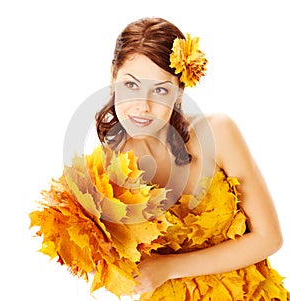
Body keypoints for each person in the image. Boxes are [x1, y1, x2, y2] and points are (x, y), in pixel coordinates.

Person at [30, 17, 289, 300]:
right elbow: (104, 267)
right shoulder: (104, 175)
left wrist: (167, 267)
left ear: (179, 92)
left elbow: (269, 237)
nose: (143, 105)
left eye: (161, 90)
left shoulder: (217, 132)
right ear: (113, 79)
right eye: (131, 85)